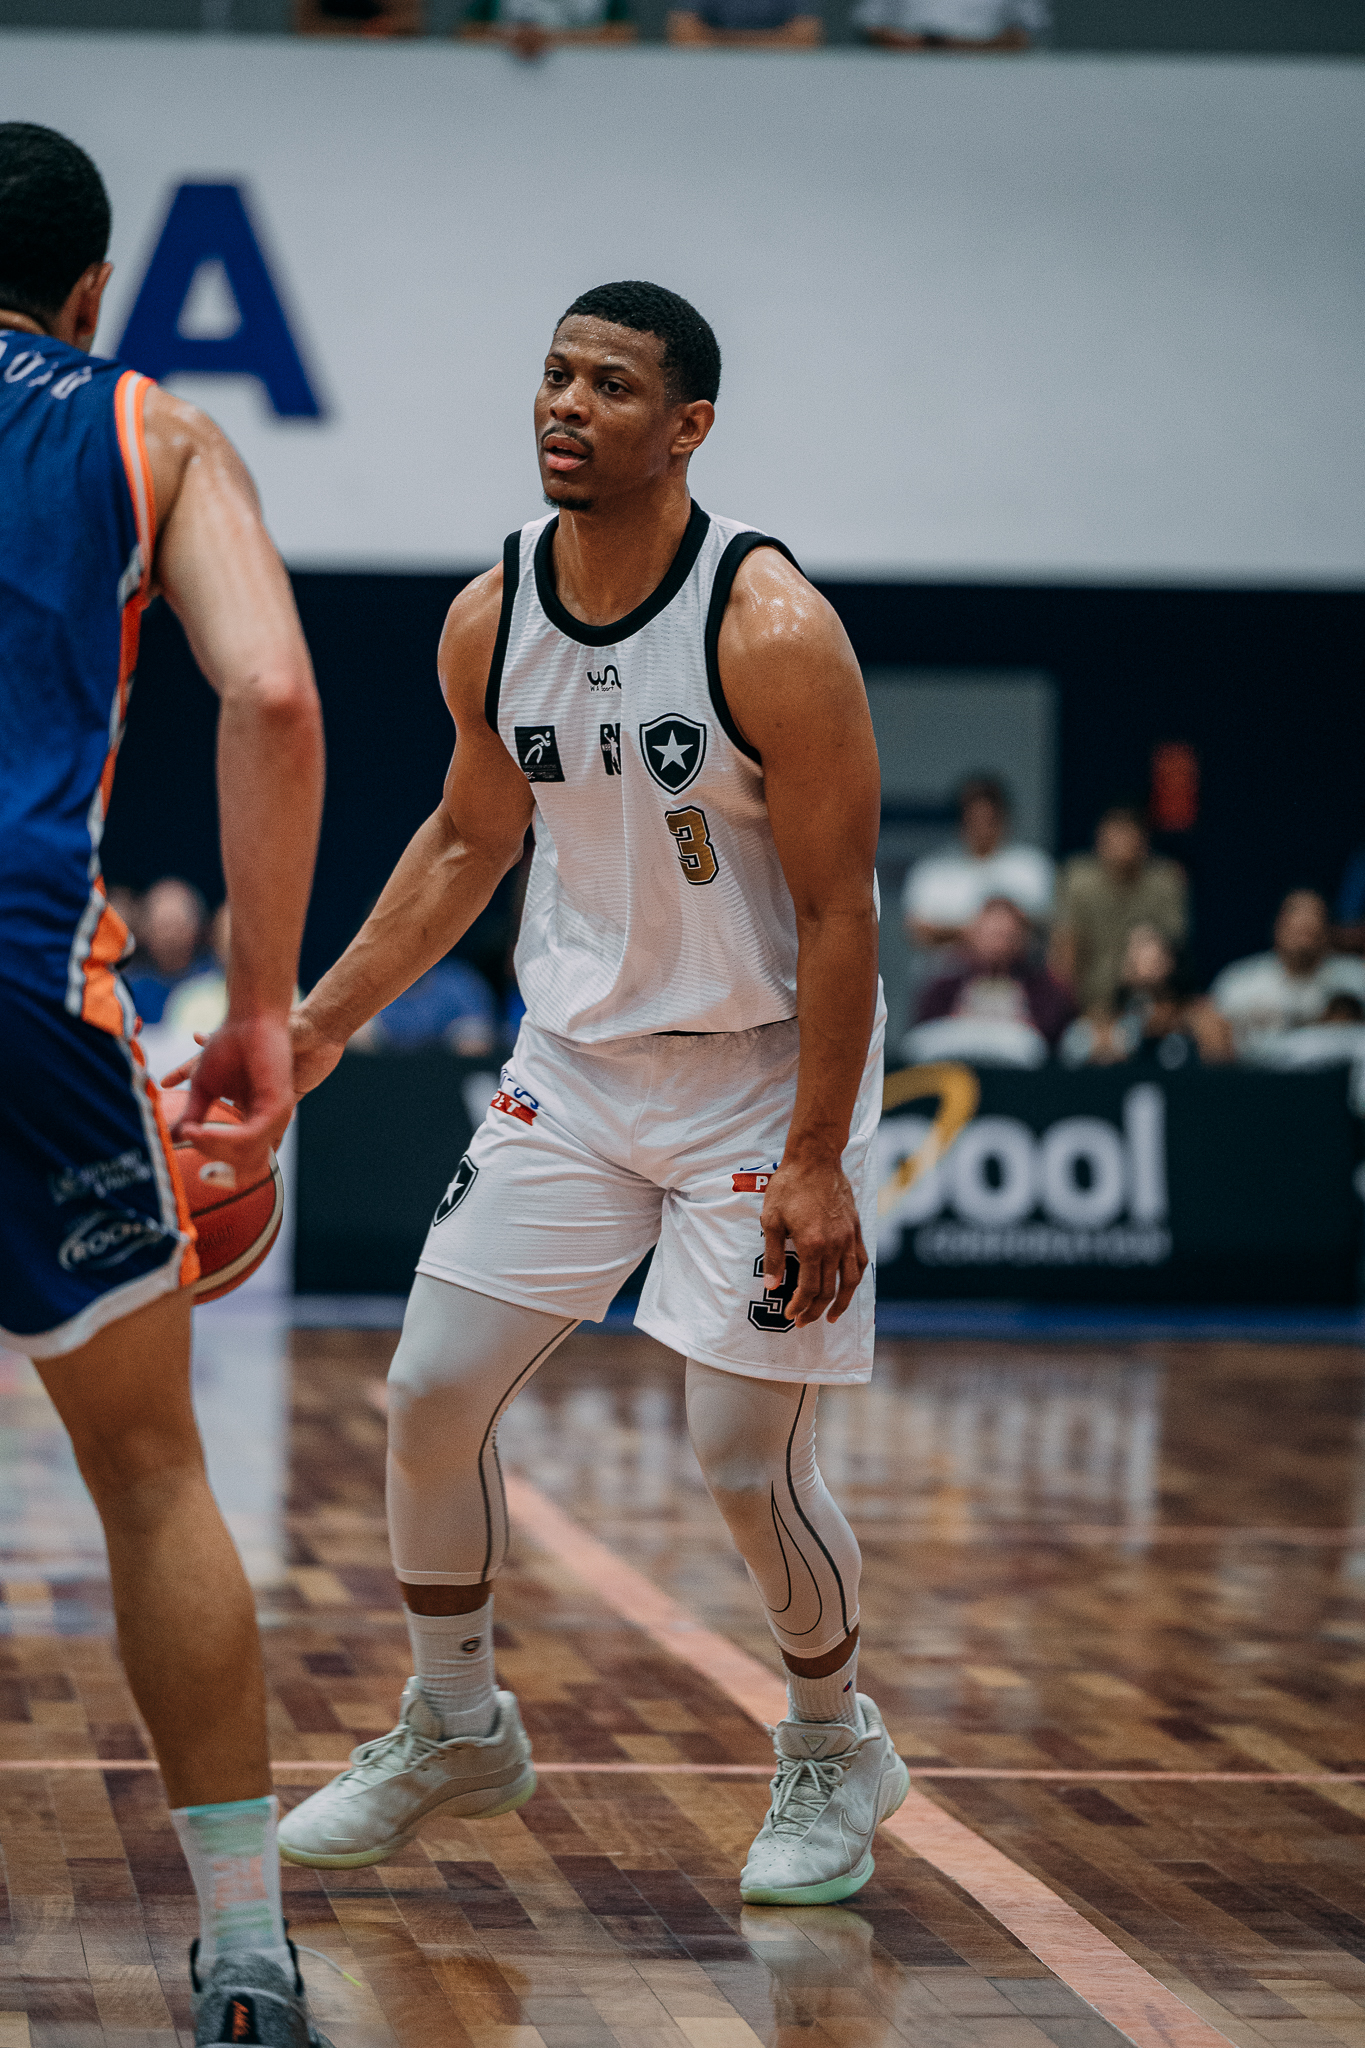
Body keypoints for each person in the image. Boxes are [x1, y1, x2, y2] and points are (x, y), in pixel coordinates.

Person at [273, 279, 908, 1906]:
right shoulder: (493, 616)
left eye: (610, 385)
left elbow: (841, 911)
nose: (566, 404)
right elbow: (467, 839)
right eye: (555, 374)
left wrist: (816, 1158)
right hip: (575, 1068)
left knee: (744, 1458)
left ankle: (833, 1745)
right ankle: (454, 1724)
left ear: (688, 426)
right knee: (428, 1392)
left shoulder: (772, 630)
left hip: (760, 1079)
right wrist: (317, 1026)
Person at [0, 126, 328, 2045]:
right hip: (29, 982)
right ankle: (246, 1955)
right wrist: (259, 1005)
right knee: (146, 1473)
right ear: (92, 290)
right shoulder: (155, 432)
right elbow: (272, 692)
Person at [906, 895, 1074, 1067]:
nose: (997, 945)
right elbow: (922, 1033)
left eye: (1005, 936)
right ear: (972, 936)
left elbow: (1053, 1035)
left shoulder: (1042, 988)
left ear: (1021, 939)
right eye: (990, 934)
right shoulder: (946, 986)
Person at [1050, 804, 1187, 1014]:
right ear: (1099, 840)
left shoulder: (1165, 880)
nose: (1121, 843)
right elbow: (1064, 950)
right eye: (1114, 835)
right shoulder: (1078, 880)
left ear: (1144, 841)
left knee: (1148, 946)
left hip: (1150, 994)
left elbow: (1174, 948)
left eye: (1128, 834)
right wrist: (1068, 1007)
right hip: (1087, 997)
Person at [900, 773, 1053, 954]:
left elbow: (1050, 924)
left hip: (1018, 970)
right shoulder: (932, 870)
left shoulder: (1031, 865)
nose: (981, 827)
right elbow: (917, 931)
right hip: (947, 969)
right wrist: (973, 930)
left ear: (1003, 819)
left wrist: (1007, 923)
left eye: (989, 819)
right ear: (961, 821)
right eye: (973, 818)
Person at [1210, 890, 1365, 1063]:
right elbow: (1214, 1039)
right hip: (1255, 1074)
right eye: (1297, 930)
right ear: (1278, 928)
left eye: (1310, 931)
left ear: (1327, 931)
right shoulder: (1240, 981)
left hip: (1334, 1074)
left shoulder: (1355, 977)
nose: (1303, 940)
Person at [1059, 923, 1232, 1070]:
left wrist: (1183, 1026)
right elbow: (1075, 1052)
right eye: (1132, 947)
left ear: (1170, 959)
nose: (1137, 954)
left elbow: (1221, 1063)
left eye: (1146, 944)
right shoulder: (1110, 1020)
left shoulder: (1198, 1014)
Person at [124, 875, 209, 1025]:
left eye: (177, 925)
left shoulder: (214, 986)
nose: (169, 936)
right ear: (145, 930)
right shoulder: (131, 990)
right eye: (162, 926)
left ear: (197, 928)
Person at [461, 0, 634, 59]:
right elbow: (468, 32)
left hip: (587, 88)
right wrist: (512, 38)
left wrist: (548, 38)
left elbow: (624, 36)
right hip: (508, 87)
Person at [856, 0, 1047, 49]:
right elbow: (871, 27)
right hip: (907, 72)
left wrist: (957, 46)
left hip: (988, 74)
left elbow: (1025, 35)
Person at [667, 0, 822, 47]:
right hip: (713, 73)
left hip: (778, 74)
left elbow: (805, 37)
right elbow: (683, 33)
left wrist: (721, 41)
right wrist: (774, 41)